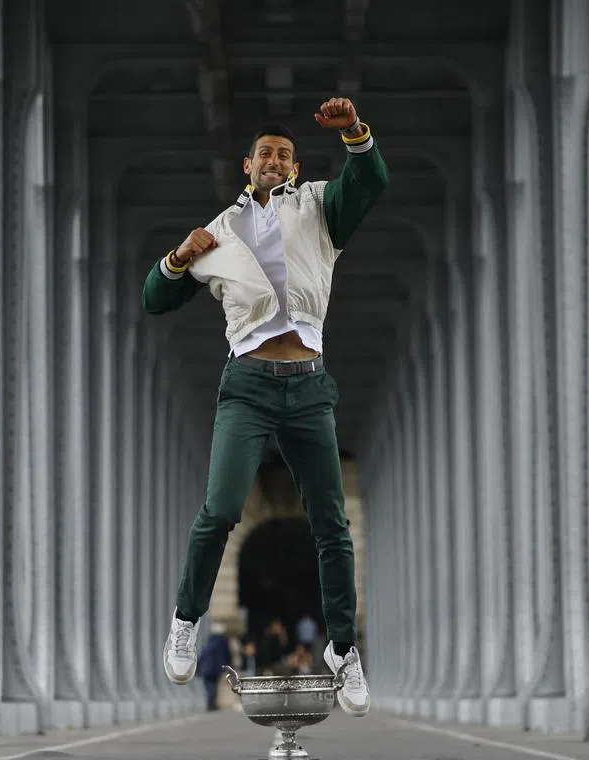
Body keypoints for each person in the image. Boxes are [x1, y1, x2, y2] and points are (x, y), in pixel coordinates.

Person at [144, 97, 388, 717]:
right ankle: (185, 619)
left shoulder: (318, 210)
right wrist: (176, 260)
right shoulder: (219, 231)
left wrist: (356, 133)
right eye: (265, 154)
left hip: (308, 385)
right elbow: (155, 300)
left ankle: (341, 649)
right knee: (221, 507)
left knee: (331, 522)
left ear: (296, 168)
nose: (274, 161)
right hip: (247, 386)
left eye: (285, 154)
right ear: (246, 165)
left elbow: (371, 182)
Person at [195, 622, 233, 711]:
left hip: (206, 667)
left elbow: (202, 655)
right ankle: (211, 704)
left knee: (209, 686)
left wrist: (198, 668)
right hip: (217, 668)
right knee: (213, 686)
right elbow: (227, 655)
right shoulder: (224, 641)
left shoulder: (209, 641)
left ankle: (210, 704)